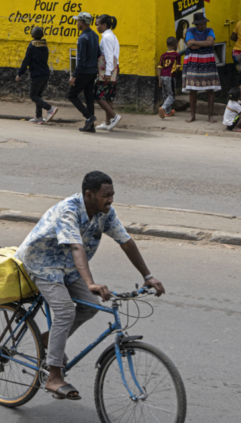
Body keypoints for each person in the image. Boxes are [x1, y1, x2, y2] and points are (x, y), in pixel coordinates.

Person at [15, 170, 165, 401]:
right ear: (89, 195)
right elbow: (76, 247)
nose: (111, 200)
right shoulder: (69, 210)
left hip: (69, 267)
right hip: (43, 264)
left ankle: (48, 340)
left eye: (112, 194)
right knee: (65, 311)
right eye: (106, 195)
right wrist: (91, 283)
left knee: (90, 306)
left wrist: (148, 276)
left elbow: (125, 241)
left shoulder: (105, 213)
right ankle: (53, 376)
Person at [182, 13, 221, 123]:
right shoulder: (190, 30)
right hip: (193, 62)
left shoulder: (210, 30)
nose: (204, 26)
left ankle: (210, 116)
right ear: (196, 25)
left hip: (208, 62)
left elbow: (210, 42)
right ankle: (192, 115)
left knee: (210, 89)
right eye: (201, 24)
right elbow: (189, 44)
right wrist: (205, 44)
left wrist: (195, 43)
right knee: (193, 90)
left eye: (205, 24)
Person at [16, 26, 58, 124]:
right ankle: (39, 116)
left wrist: (19, 74)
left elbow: (26, 61)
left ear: (32, 35)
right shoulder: (45, 46)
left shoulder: (32, 46)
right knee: (38, 95)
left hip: (37, 74)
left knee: (33, 95)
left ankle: (50, 108)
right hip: (45, 73)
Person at [66, 12, 99, 133]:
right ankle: (91, 126)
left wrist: (74, 76)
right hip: (92, 71)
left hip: (84, 72)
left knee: (71, 95)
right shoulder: (95, 35)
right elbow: (98, 54)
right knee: (89, 98)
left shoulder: (82, 38)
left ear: (82, 23)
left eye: (78, 21)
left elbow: (81, 60)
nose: (77, 23)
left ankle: (89, 117)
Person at [94, 14, 121, 131]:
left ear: (104, 25)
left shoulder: (106, 38)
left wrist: (108, 72)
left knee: (98, 95)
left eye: (98, 24)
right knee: (108, 96)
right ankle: (108, 122)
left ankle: (114, 117)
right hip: (114, 67)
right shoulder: (112, 36)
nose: (96, 27)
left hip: (107, 69)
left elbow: (109, 55)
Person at [158, 37, 182, 119]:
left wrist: (159, 80)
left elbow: (159, 68)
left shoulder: (163, 55)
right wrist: (176, 72)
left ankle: (168, 112)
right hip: (170, 76)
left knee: (165, 94)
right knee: (171, 96)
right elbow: (178, 67)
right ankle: (163, 108)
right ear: (175, 45)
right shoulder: (177, 55)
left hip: (162, 76)